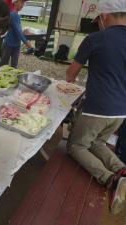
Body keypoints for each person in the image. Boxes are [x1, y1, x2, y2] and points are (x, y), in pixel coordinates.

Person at [65, 0, 126, 215]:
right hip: (121, 112)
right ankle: (121, 169)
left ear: (106, 16)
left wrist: (73, 83)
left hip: (97, 108)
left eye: (98, 19)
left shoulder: (95, 38)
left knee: (76, 146)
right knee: (98, 142)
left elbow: (70, 74)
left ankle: (109, 179)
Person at [0, 0, 33, 69]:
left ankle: (11, 78)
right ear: (15, 2)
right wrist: (26, 42)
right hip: (8, 44)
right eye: (21, 2)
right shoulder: (12, 15)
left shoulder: (16, 15)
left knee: (14, 65)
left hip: (16, 45)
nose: (22, 5)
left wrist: (24, 31)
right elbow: (17, 31)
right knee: (3, 65)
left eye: (24, 3)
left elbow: (18, 30)